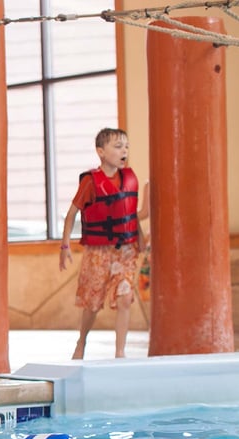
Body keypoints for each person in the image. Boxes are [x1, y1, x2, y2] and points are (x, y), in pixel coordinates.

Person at [58, 127, 150, 360]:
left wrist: (140, 237)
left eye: (126, 146)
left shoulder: (129, 178)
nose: (124, 151)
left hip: (126, 250)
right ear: (101, 152)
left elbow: (131, 214)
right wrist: (65, 245)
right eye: (118, 147)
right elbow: (71, 214)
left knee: (125, 297)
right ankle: (82, 341)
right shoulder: (90, 182)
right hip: (98, 252)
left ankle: (120, 352)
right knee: (92, 303)